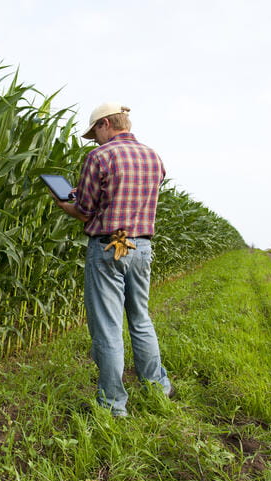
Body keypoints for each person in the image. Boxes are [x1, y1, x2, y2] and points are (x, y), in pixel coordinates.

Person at [51, 102, 172, 417]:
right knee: (141, 319)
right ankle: (158, 389)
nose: (95, 140)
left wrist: (64, 202)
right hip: (140, 247)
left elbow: (85, 210)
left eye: (95, 133)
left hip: (108, 246)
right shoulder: (153, 157)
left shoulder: (99, 157)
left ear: (106, 123)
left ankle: (113, 405)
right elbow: (130, 197)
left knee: (107, 327)